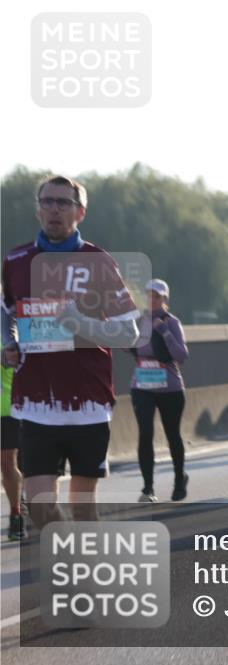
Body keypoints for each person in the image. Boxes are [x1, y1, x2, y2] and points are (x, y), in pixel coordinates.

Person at [2, 176, 140, 527]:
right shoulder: (17, 260)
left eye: (64, 203)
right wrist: (9, 343)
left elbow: (129, 333)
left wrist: (80, 323)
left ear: (80, 212)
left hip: (87, 402)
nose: (54, 209)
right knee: (42, 508)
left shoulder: (99, 261)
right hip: (36, 401)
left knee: (82, 509)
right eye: (47, 201)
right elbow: (4, 313)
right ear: (37, 210)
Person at [129, 279, 190, 502]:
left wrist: (164, 331)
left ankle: (179, 478)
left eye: (157, 296)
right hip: (142, 386)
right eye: (149, 295)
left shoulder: (172, 322)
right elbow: (129, 347)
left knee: (172, 434)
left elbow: (181, 355)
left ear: (165, 300)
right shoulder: (138, 320)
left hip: (170, 387)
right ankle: (148, 488)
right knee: (145, 433)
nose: (152, 299)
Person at [1, 305, 25, 539]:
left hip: (5, 406)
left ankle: (16, 513)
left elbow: (12, 357)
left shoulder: (8, 321)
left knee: (7, 463)